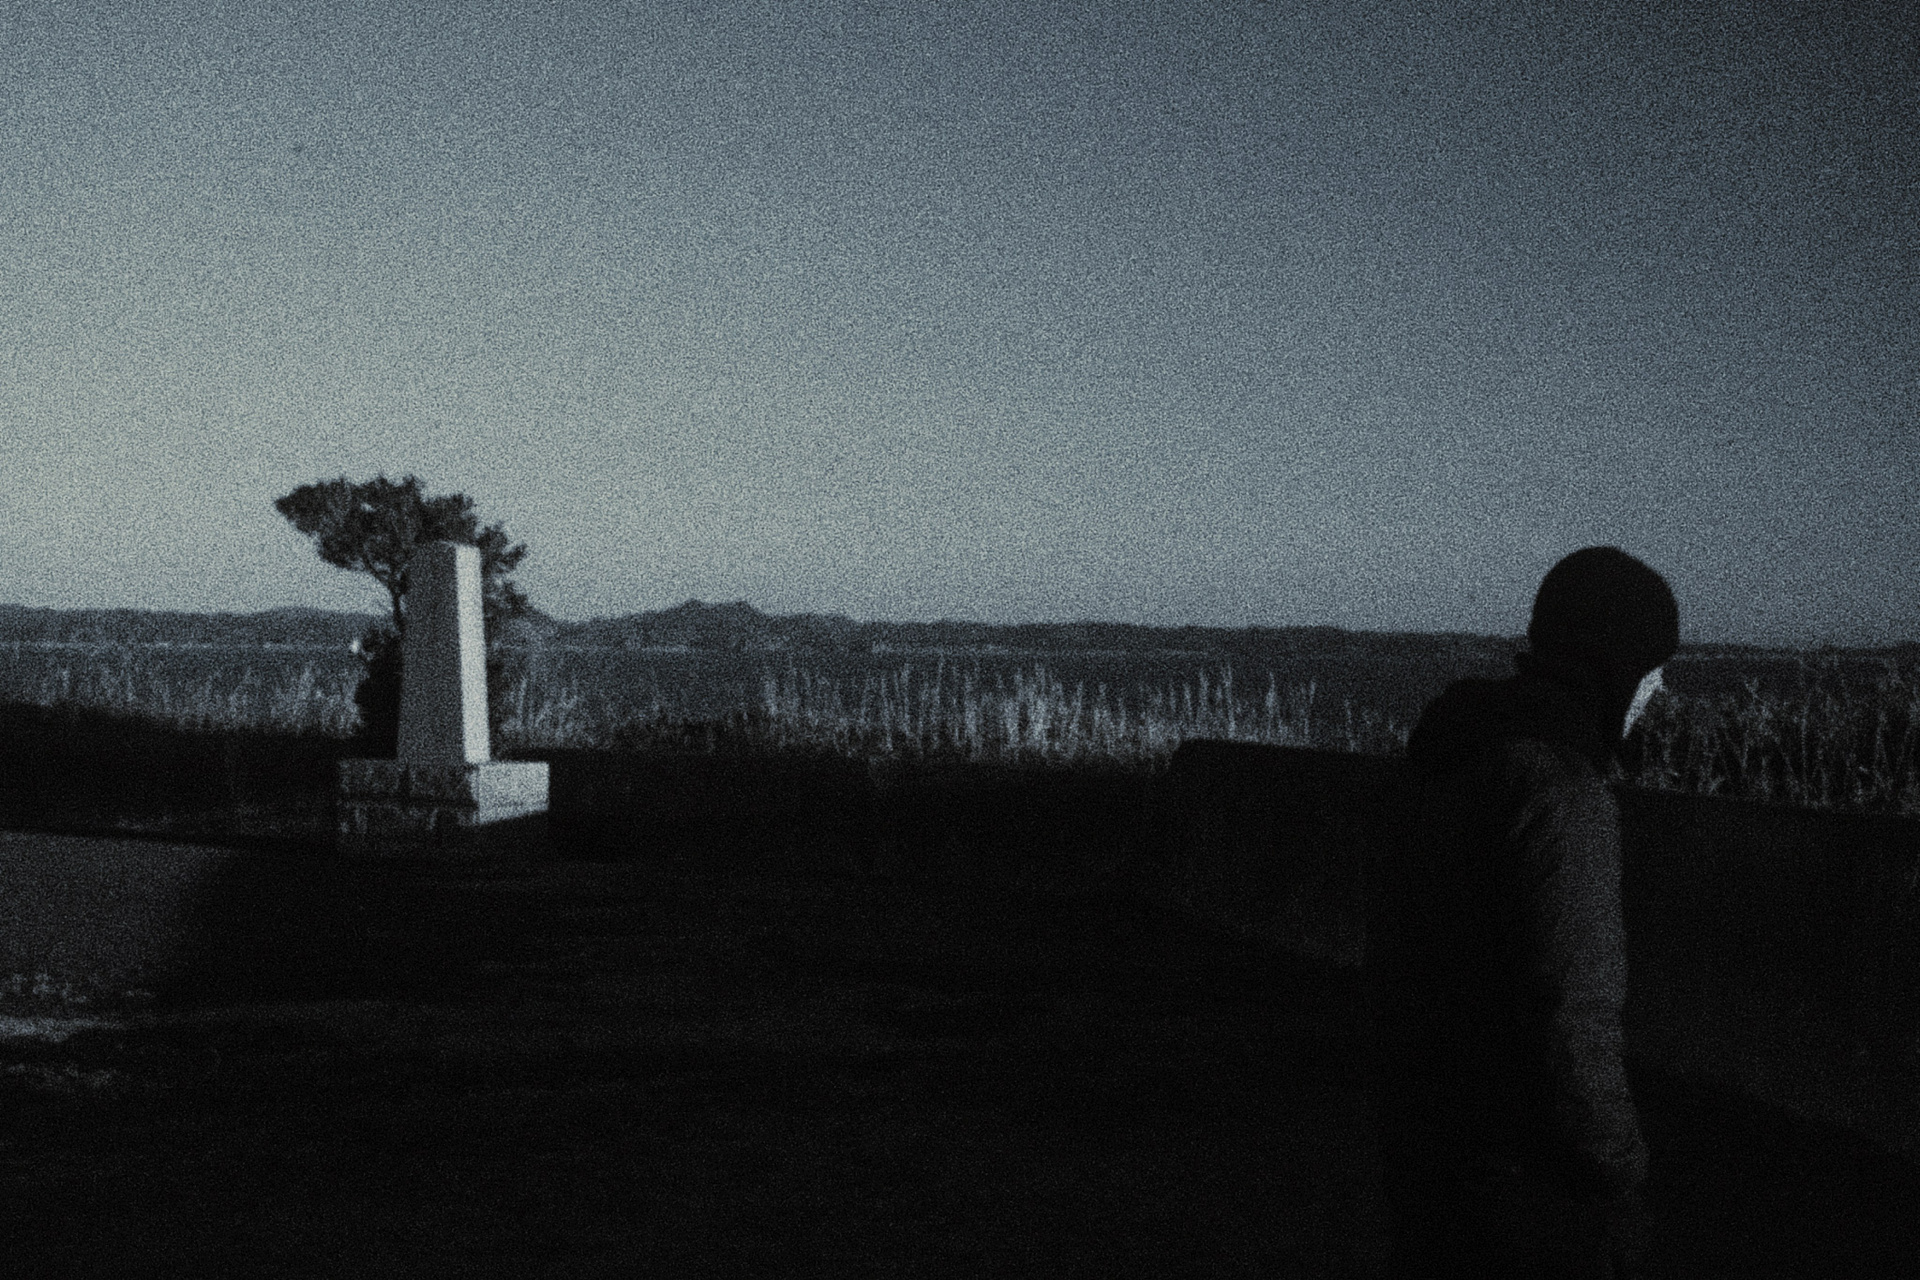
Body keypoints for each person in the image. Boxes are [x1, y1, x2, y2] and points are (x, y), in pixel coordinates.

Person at [1365, 546, 1678, 1278]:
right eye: (1652, 667)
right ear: (1613, 666)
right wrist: (1619, 1171)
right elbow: (1572, 1011)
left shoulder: (1448, 754)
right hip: (1528, 1182)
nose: (1660, 688)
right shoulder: (1561, 790)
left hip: (1427, 1149)